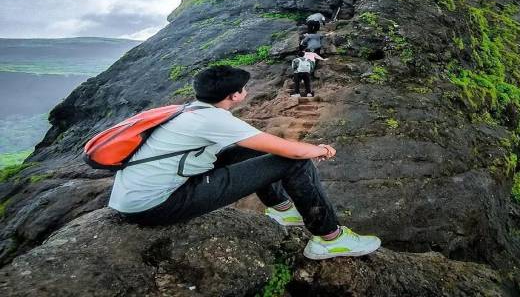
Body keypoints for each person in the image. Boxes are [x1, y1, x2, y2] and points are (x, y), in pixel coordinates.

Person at [108, 65, 380, 259]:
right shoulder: (214, 119)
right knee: (295, 162)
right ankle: (330, 239)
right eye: (243, 89)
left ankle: (283, 210)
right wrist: (319, 149)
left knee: (258, 152)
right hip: (157, 204)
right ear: (234, 96)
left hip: (136, 194)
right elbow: (294, 154)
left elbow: (259, 145)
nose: (245, 91)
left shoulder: (189, 110)